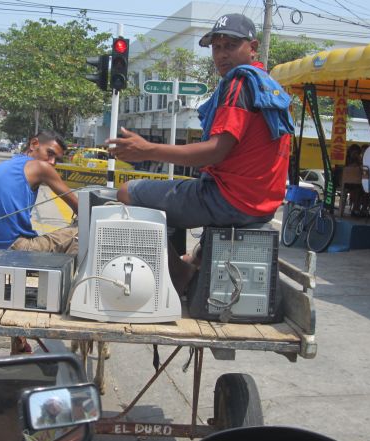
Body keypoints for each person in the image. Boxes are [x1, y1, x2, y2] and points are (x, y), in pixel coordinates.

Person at [106, 13, 294, 292]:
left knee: (127, 192)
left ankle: (181, 275)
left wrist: (148, 149)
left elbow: (215, 152)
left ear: (252, 47)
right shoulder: (266, 84)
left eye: (230, 45)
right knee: (190, 190)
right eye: (216, 47)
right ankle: (197, 257)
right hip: (261, 204)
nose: (221, 55)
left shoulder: (239, 83)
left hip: (229, 200)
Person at [0, 130, 78, 254]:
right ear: (34, 144)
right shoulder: (41, 167)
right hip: (16, 249)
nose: (52, 162)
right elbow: (81, 208)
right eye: (50, 153)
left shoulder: (4, 165)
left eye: (56, 159)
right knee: (80, 232)